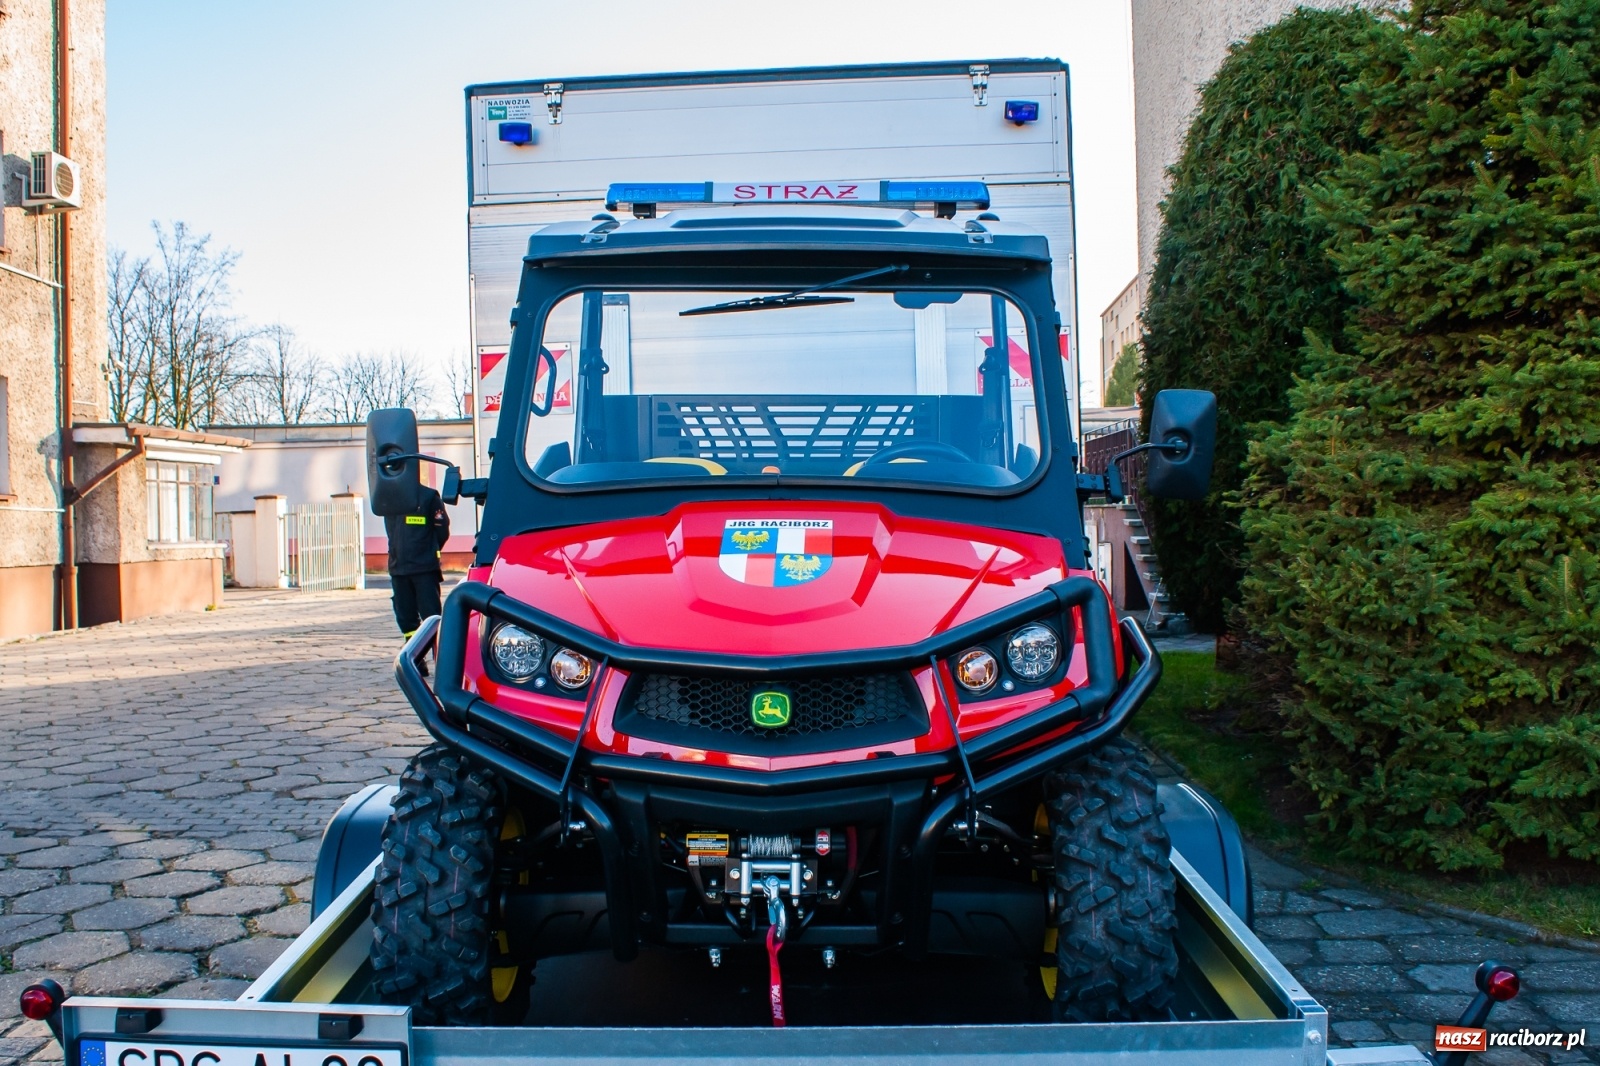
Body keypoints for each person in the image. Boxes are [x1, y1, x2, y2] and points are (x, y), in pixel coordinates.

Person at [386, 483, 450, 671]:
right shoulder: (389, 498)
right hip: (398, 568)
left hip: (424, 568)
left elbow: (442, 529)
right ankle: (415, 658)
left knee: (431, 615)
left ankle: (442, 663)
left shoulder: (429, 496)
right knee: (406, 618)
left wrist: (428, 550)